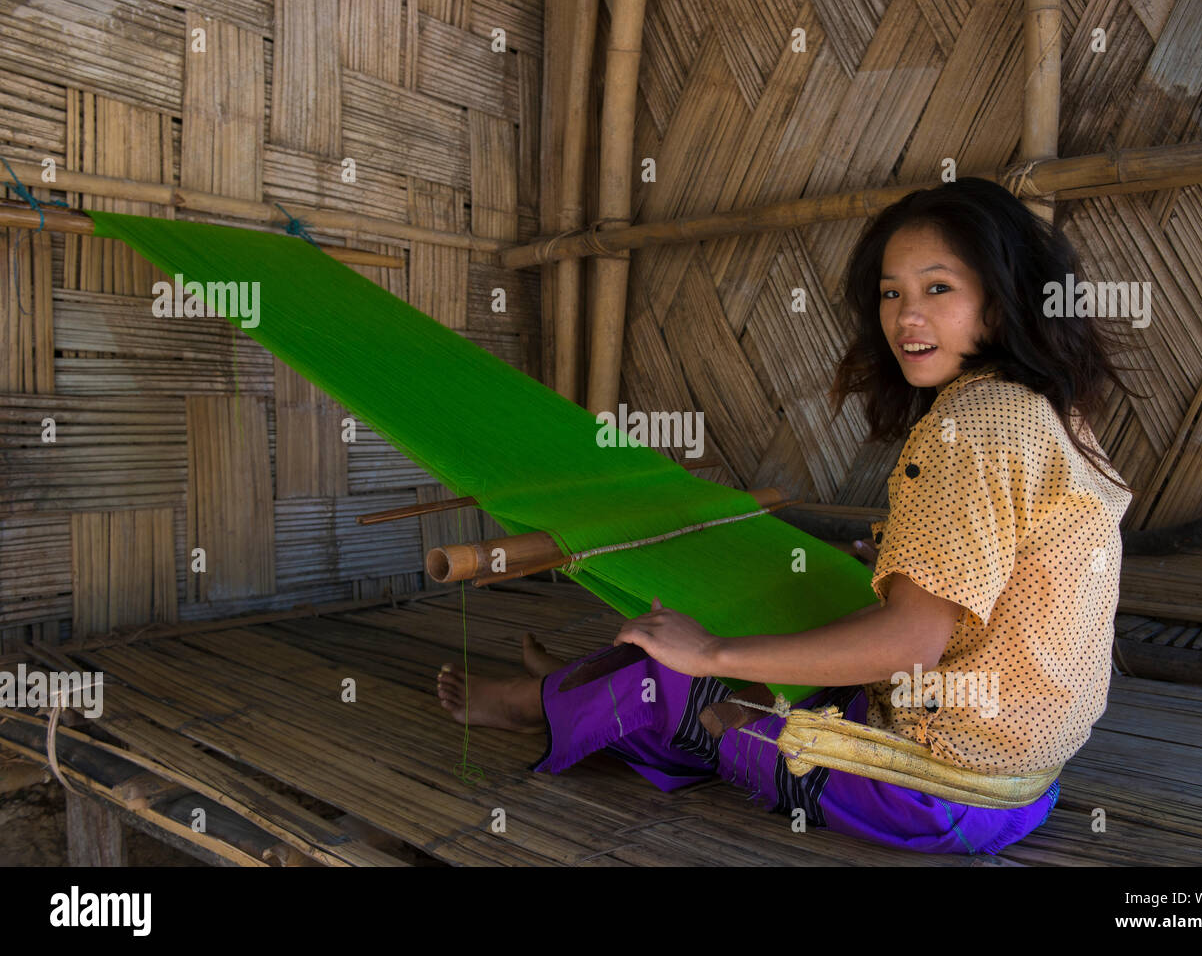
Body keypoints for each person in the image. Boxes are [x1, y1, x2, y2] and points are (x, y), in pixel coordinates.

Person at [436, 177, 1140, 856]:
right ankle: (577, 684)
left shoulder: (974, 424)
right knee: (765, 627)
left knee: (679, 675)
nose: (905, 316)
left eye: (938, 288)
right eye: (891, 293)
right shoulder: (1048, 412)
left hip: (928, 795)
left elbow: (910, 645)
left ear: (1000, 300)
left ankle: (534, 702)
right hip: (1023, 789)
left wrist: (710, 653)